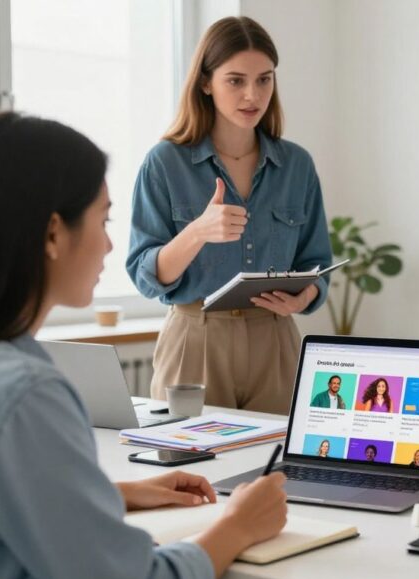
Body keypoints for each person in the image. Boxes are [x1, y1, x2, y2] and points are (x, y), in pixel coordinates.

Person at [0, 112, 289, 579]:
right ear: (51, 233)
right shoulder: (22, 393)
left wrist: (113, 493)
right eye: (102, 220)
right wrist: (238, 526)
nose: (109, 245)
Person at [127, 16, 332, 415]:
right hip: (195, 339)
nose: (252, 95)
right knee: (188, 471)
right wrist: (198, 232)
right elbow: (144, 274)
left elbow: (316, 261)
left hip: (275, 339)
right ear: (206, 83)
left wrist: (306, 294)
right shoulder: (165, 162)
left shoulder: (297, 165)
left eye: (264, 79)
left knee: (277, 471)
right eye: (235, 80)